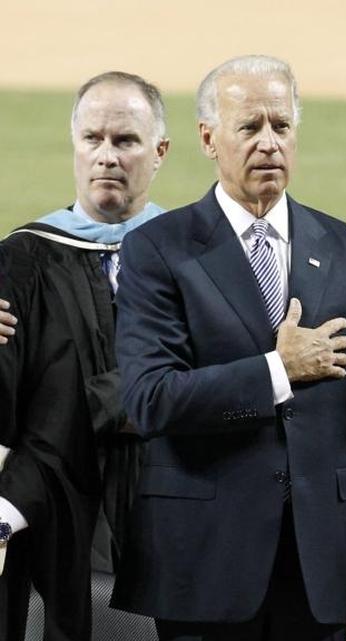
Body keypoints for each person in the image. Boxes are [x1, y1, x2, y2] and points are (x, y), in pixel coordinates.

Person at [110, 55, 346, 641]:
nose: (269, 142)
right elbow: (150, 400)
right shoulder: (158, 250)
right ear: (208, 138)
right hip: (204, 562)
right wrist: (278, 369)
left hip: (320, 564)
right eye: (250, 127)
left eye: (282, 126)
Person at [0, 71, 169, 641]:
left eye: (125, 141)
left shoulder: (196, 257)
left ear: (160, 151)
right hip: (59, 513)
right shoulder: (23, 259)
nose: (106, 157)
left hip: (166, 497)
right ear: (73, 145)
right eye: (92, 139)